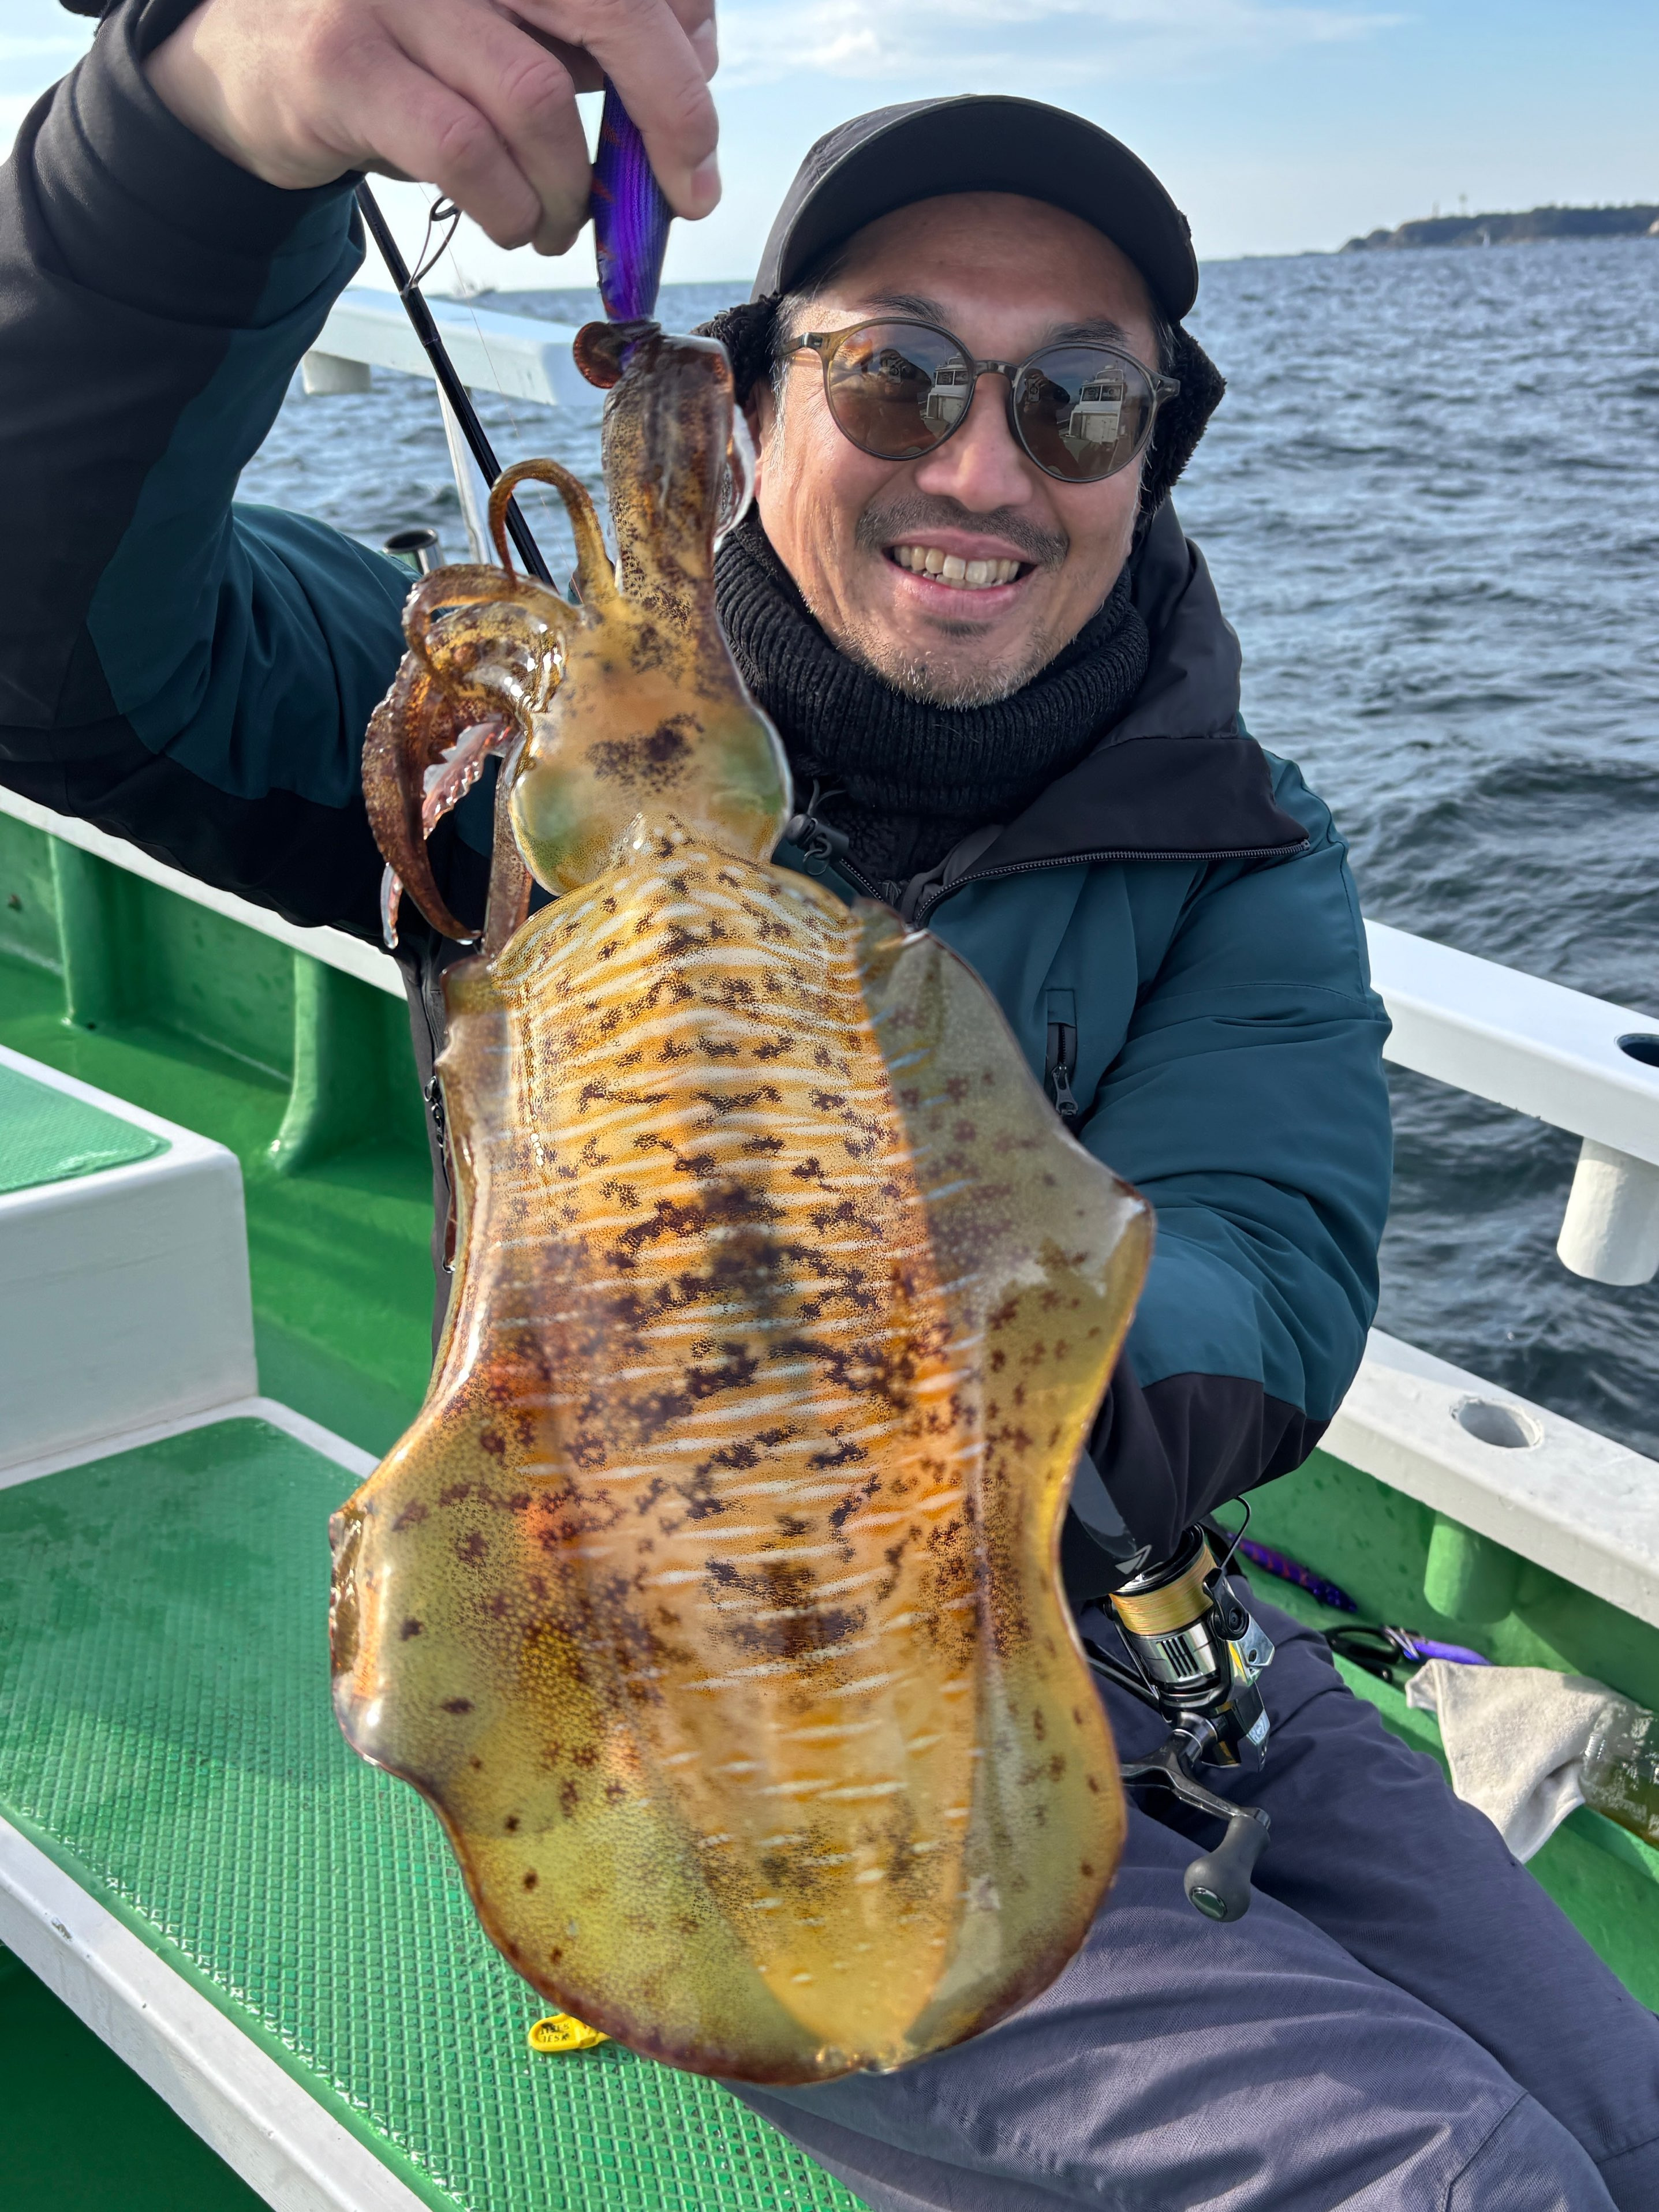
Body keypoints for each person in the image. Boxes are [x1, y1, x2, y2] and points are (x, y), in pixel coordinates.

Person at [2, 5, 1655, 2205]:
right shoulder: (520, 766)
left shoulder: (1242, 842)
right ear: (759, 396)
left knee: (1630, 2120)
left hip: (1150, 1615)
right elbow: (54, 629)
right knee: (1457, 2176)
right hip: (702, 1703)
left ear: (1147, 454)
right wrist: (205, 123)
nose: (981, 467)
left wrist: (866, 1341)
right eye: (894, 377)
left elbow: (1265, 1270)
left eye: (1076, 401)